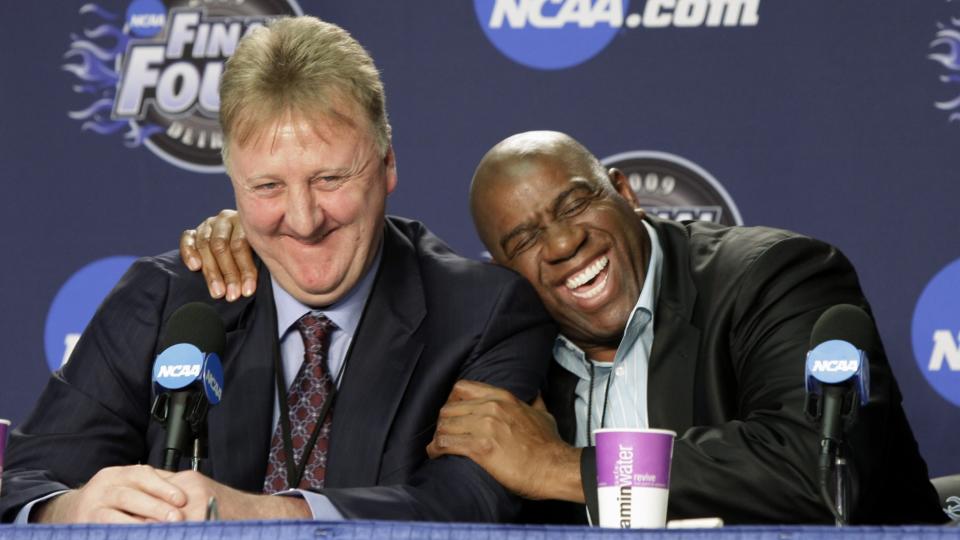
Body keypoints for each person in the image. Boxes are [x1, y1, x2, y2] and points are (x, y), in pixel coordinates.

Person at [180, 131, 946, 524]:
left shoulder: (776, 276)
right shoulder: (499, 344)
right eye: (521, 241)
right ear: (500, 268)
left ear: (624, 193)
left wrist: (559, 466)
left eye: (576, 204)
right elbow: (367, 262)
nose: (560, 244)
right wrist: (267, 234)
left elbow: (819, 468)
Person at [0, 18, 555, 524]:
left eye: (329, 179)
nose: (304, 220)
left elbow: (469, 503)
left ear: (388, 165)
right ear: (234, 186)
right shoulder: (168, 297)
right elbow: (22, 483)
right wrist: (68, 509)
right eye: (267, 187)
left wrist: (258, 516)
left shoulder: (483, 313)